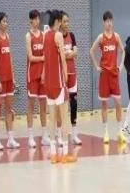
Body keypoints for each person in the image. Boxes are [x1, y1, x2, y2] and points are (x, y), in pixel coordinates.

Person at [90, 11, 127, 145]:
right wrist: (96, 66)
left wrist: (121, 65)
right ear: (104, 22)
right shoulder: (101, 37)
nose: (109, 23)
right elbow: (91, 51)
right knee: (104, 104)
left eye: (110, 21)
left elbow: (123, 51)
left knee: (118, 103)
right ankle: (105, 132)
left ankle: (120, 132)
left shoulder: (116, 36)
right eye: (107, 21)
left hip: (114, 75)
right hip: (104, 75)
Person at [43, 10, 75, 163]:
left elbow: (45, 58)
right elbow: (63, 58)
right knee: (64, 116)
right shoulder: (58, 36)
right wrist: (66, 74)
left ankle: (54, 153)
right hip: (58, 82)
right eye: (61, 21)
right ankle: (66, 153)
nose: (62, 23)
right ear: (57, 21)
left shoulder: (45, 35)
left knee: (52, 119)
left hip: (48, 83)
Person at [0, 12, 19, 150]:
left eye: (7, 21)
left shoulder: (7, 36)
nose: (6, 23)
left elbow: (10, 58)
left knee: (9, 109)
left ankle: (10, 139)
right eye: (4, 21)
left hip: (9, 78)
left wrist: (13, 76)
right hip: (0, 79)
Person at [25, 10, 50, 148]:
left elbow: (46, 57)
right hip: (32, 74)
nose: (37, 21)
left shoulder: (43, 35)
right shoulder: (28, 36)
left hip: (42, 75)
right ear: (31, 20)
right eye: (35, 19)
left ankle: (45, 136)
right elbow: (31, 57)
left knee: (43, 106)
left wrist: (45, 73)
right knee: (31, 105)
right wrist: (42, 58)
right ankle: (30, 137)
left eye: (38, 19)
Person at [60, 11, 82, 145]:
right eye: (64, 21)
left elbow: (76, 53)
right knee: (62, 105)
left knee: (73, 104)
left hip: (72, 74)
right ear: (60, 23)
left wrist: (67, 53)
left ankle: (74, 134)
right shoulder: (58, 36)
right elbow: (60, 55)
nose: (66, 23)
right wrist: (69, 53)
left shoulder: (72, 36)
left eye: (68, 21)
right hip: (62, 75)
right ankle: (61, 134)